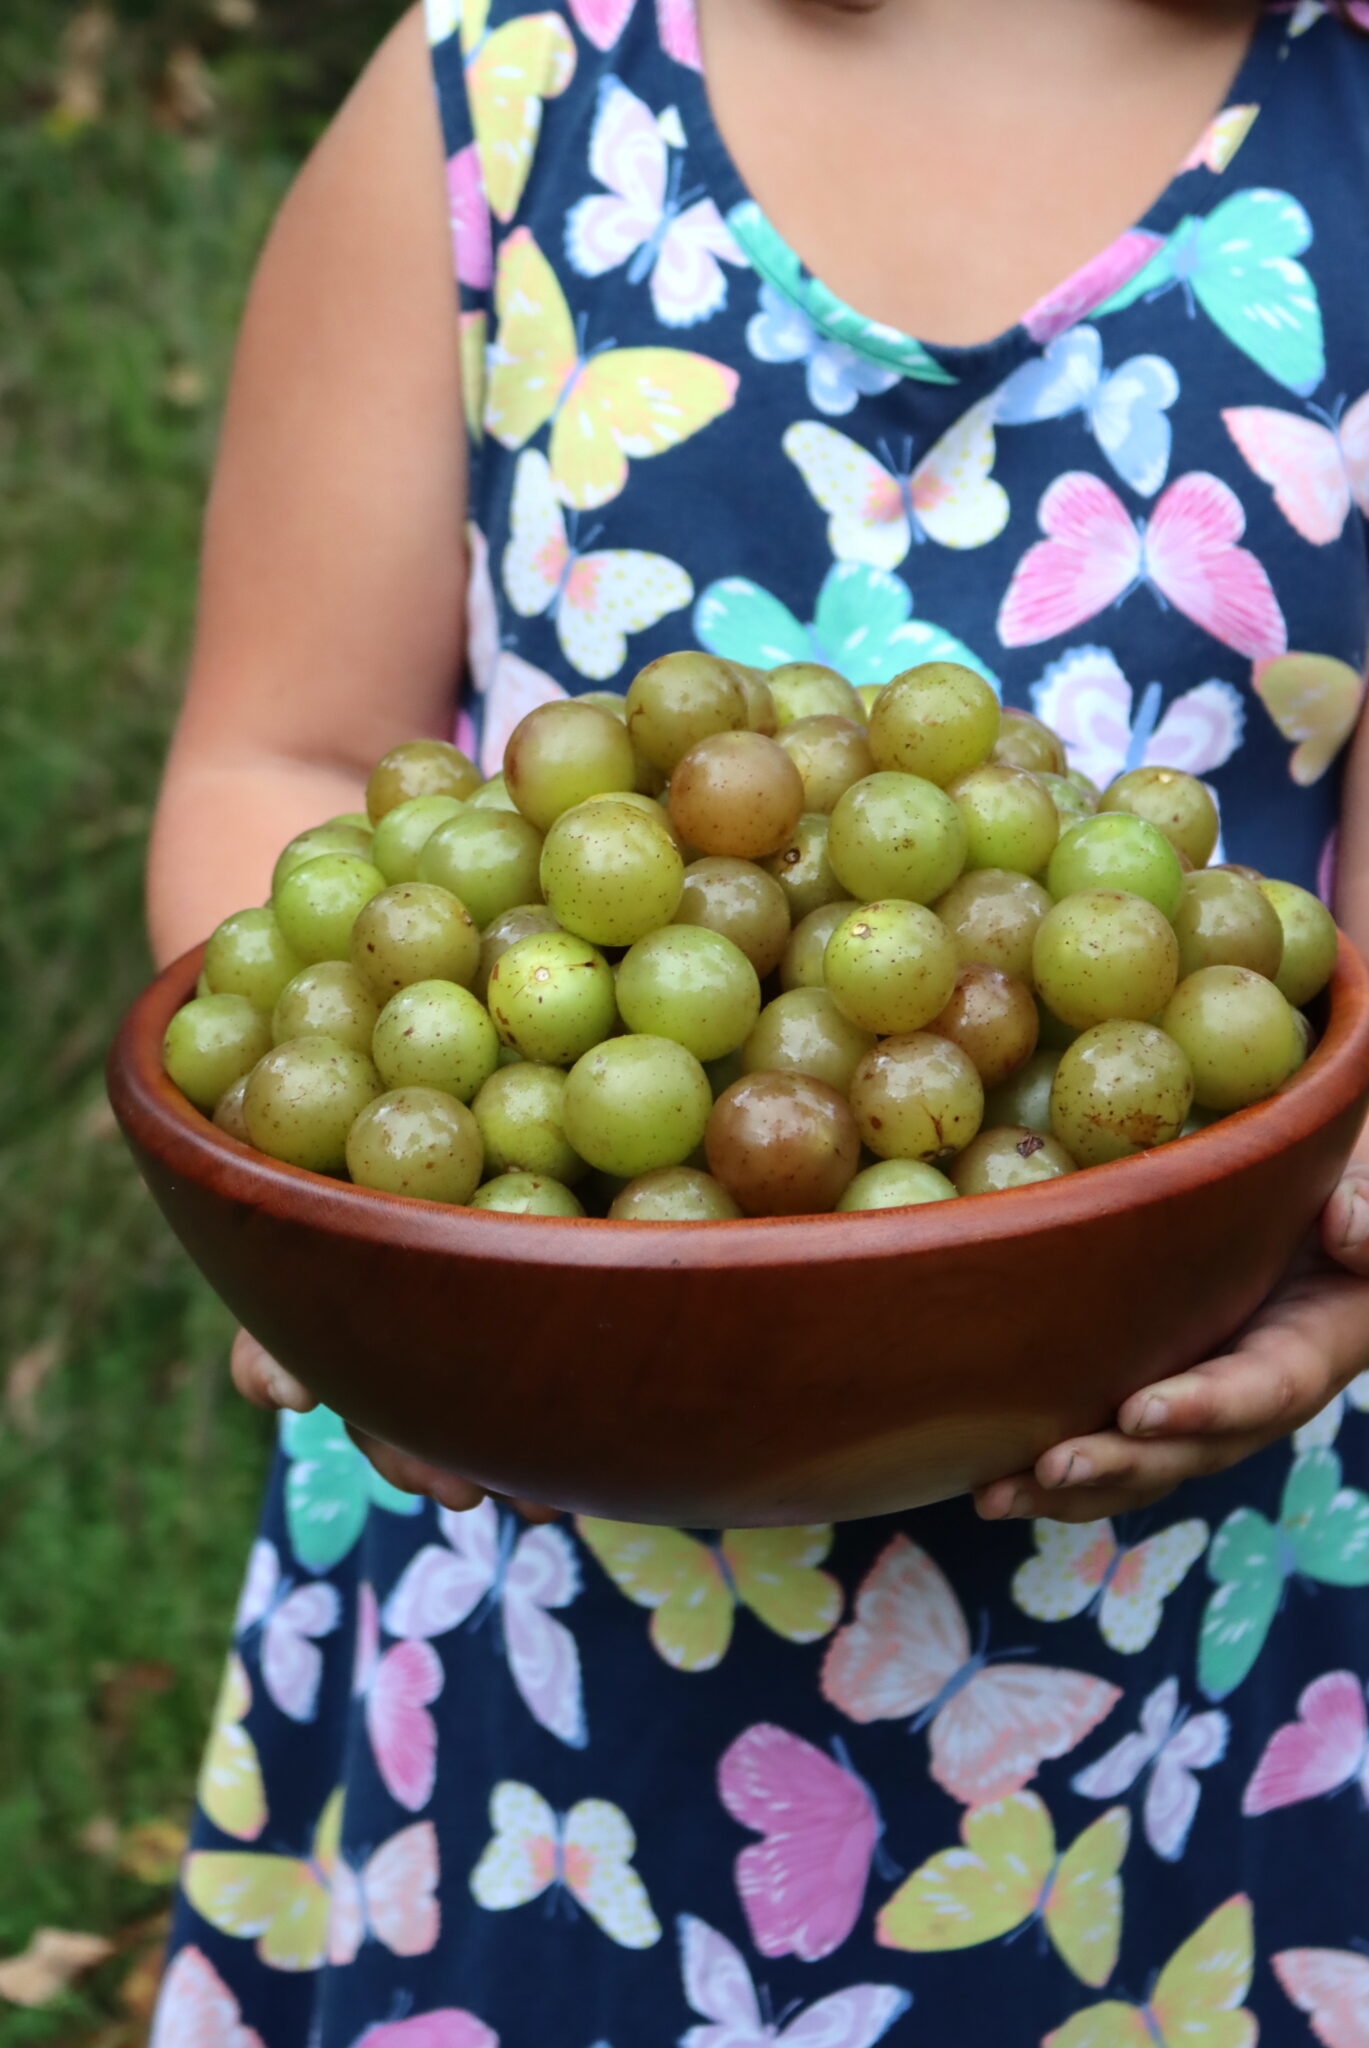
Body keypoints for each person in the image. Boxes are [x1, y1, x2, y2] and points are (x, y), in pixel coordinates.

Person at [145, 1, 1369, 2040]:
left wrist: (1336, 1236)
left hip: (1176, 1576)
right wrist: (329, 1206)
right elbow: (275, 751)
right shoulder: (498, 93)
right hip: (517, 1514)